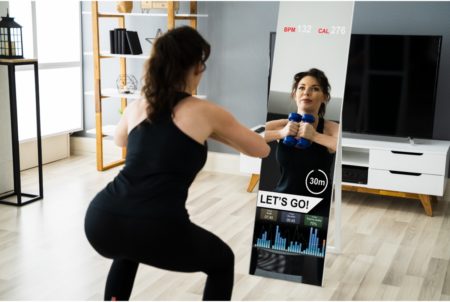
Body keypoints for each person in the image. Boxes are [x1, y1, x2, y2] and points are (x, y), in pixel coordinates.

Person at [84, 26, 270, 301]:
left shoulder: (141, 104)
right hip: (156, 225)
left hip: (102, 219)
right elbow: (261, 149)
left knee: (128, 250)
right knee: (222, 261)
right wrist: (215, 132)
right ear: (195, 67)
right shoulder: (205, 110)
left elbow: (120, 140)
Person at [264, 68, 338, 209]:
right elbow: (253, 135)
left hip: (317, 205)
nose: (306, 92)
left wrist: (315, 135)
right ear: (294, 94)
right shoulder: (285, 125)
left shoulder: (330, 128)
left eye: (315, 89)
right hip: (282, 201)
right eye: (301, 88)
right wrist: (281, 133)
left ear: (325, 97)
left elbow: (344, 147)